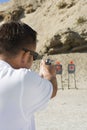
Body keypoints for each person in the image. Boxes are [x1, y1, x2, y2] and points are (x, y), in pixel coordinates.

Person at [0, 21, 58, 130]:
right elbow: (52, 90)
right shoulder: (22, 78)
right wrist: (49, 73)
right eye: (34, 55)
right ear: (26, 55)